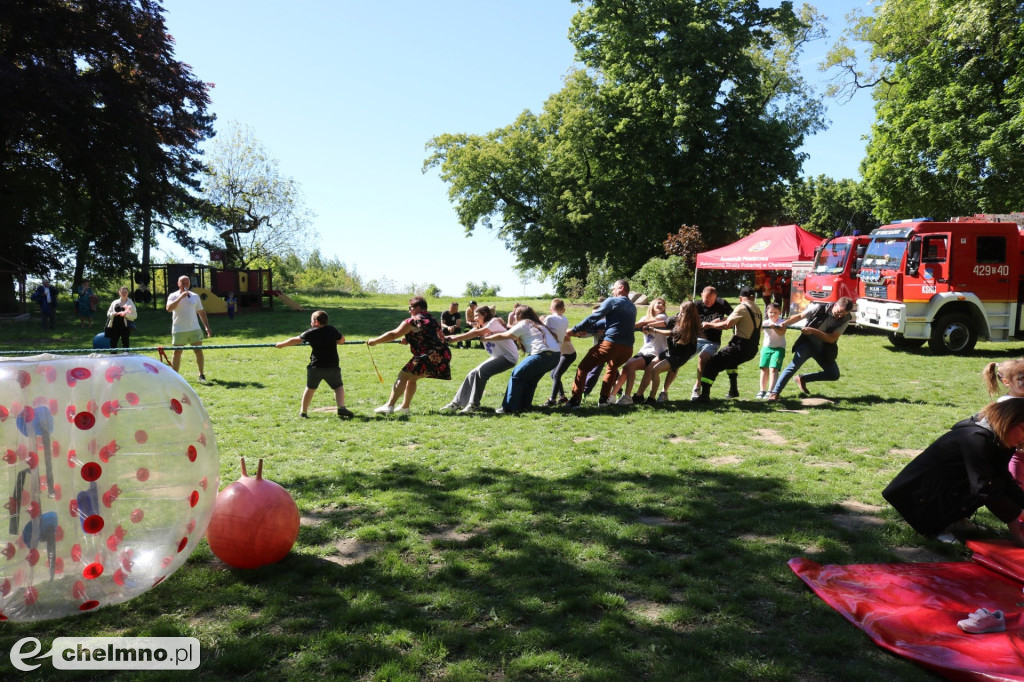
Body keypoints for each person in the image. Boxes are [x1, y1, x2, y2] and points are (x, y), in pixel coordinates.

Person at [882, 399, 1024, 547]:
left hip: (946, 485)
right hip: (917, 492)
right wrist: (1018, 514)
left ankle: (955, 520)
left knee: (997, 483)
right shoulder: (976, 438)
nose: (1023, 439)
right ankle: (934, 525)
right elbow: (982, 488)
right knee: (985, 486)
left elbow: (1003, 479)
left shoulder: (1002, 441)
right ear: (1009, 421)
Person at [367, 296, 451, 416]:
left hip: (428, 356)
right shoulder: (432, 319)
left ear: (418, 307)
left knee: (403, 376)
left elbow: (393, 334)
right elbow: (429, 336)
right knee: (412, 378)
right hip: (443, 355)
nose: (409, 311)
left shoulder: (413, 320)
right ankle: (404, 407)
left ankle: (389, 406)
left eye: (410, 307)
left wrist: (375, 341)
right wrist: (409, 338)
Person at [564, 280, 637, 408]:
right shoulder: (632, 307)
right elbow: (610, 323)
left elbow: (594, 317)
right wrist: (587, 330)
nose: (612, 291)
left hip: (611, 344)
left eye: (613, 288)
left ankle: (575, 401)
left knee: (583, 368)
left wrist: (574, 330)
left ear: (620, 288)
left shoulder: (612, 301)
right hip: (628, 348)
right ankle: (603, 400)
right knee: (612, 369)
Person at [766, 296, 853, 401]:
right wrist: (784, 323)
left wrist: (813, 331)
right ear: (835, 305)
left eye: (843, 314)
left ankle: (803, 378)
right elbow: (799, 316)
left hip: (823, 349)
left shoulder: (845, 320)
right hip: (807, 344)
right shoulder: (819, 307)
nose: (840, 315)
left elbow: (831, 339)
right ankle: (774, 393)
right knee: (792, 367)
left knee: (834, 374)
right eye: (839, 311)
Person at [275, 310, 354, 419]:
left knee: (310, 388)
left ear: (316, 322)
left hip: (316, 367)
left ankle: (303, 412)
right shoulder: (332, 330)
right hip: (332, 366)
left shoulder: (310, 332)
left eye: (311, 320)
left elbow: (296, 340)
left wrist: (281, 344)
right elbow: (342, 340)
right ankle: (341, 408)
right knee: (338, 387)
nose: (310, 322)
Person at [482, 305, 560, 414]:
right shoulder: (538, 324)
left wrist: (486, 338)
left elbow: (507, 335)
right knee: (531, 380)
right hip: (555, 357)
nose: (514, 316)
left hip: (542, 355)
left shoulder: (524, 323)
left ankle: (509, 408)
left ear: (519, 315)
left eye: (515, 314)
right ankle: (525, 406)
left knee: (516, 376)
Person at [440, 305, 516, 413]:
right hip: (497, 356)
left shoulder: (493, 322)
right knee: (472, 373)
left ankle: (474, 404)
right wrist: (447, 338)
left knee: (482, 372)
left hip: (509, 356)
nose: (474, 318)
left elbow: (476, 333)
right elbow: (469, 334)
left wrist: (455, 339)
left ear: (485, 314)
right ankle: (456, 403)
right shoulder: (481, 326)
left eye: (477, 315)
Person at [694, 286, 763, 402]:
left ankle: (704, 396)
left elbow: (727, 325)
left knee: (712, 364)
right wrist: (720, 321)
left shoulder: (742, 307)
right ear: (753, 298)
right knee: (731, 362)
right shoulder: (757, 309)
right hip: (752, 348)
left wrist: (709, 324)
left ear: (740, 298)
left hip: (740, 346)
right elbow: (733, 321)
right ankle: (733, 390)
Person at [635, 301, 701, 404]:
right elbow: (665, 322)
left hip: (680, 356)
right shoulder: (678, 317)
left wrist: (654, 330)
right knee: (650, 367)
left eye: (682, 312)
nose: (679, 314)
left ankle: (651, 399)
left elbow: (673, 333)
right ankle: (639, 396)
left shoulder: (692, 325)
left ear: (688, 314)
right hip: (670, 351)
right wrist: (646, 325)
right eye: (679, 312)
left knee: (655, 370)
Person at [612, 298, 669, 405]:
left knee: (631, 365)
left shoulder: (663, 318)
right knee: (625, 368)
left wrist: (641, 324)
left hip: (656, 352)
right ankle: (613, 395)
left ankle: (627, 396)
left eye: (663, 304)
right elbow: (636, 326)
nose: (661, 305)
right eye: (658, 303)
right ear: (652, 305)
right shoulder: (645, 318)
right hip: (644, 350)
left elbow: (648, 323)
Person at [982, 358, 1024, 486]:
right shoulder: (1005, 404)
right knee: (1017, 485)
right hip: (1015, 455)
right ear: (1006, 382)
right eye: (1021, 379)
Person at [165, 275, 212, 384]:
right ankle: (174, 377)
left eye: (187, 282)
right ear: (178, 284)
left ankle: (201, 374)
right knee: (177, 353)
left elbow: (201, 312)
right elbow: (168, 308)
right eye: (183, 282)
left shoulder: (195, 296)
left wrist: (207, 327)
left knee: (198, 351)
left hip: (194, 329)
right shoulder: (173, 296)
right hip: (179, 329)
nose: (185, 284)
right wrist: (181, 297)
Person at [689, 287, 734, 400]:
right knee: (679, 358)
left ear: (716, 297)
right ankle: (664, 391)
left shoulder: (722, 303)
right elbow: (681, 317)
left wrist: (722, 321)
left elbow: (734, 318)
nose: (708, 302)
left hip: (712, 340)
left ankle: (697, 386)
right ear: (701, 295)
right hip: (696, 338)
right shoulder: (696, 305)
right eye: (706, 299)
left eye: (711, 300)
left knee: (703, 357)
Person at [543, 298, 576, 406]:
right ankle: (562, 397)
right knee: (554, 375)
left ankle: (552, 399)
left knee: (556, 375)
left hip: (567, 354)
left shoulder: (549, 319)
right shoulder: (565, 320)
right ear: (564, 310)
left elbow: (540, 330)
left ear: (550, 309)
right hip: (561, 353)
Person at [756, 303, 787, 399]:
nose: (773, 314)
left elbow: (782, 333)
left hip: (778, 349)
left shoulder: (782, 322)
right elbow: (757, 329)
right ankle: (762, 390)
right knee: (764, 368)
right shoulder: (765, 322)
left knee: (773, 369)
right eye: (770, 312)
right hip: (766, 348)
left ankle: (771, 391)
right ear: (767, 312)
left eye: (775, 312)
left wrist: (774, 327)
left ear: (780, 313)